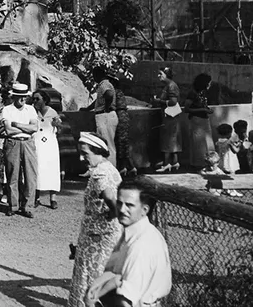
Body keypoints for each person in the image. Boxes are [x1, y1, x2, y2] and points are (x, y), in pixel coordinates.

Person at [87, 181, 172, 307]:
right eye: (119, 203)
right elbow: (117, 273)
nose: (122, 209)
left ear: (144, 210)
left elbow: (126, 301)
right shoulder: (136, 232)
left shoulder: (140, 247)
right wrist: (96, 288)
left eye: (129, 205)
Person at [67, 132, 122, 307]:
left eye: (86, 153)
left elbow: (110, 197)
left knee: (90, 274)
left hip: (97, 236)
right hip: (106, 233)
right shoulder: (110, 168)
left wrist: (113, 212)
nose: (82, 158)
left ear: (98, 150)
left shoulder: (100, 174)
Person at [0, 81, 38, 217]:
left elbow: (34, 128)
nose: (22, 99)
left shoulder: (31, 109)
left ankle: (28, 206)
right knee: (12, 175)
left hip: (28, 143)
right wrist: (24, 127)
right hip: (13, 143)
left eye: (25, 96)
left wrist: (16, 124)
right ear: (13, 97)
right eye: (19, 96)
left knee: (30, 176)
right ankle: (13, 205)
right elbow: (9, 131)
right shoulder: (7, 110)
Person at [32, 90, 62, 209]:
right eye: (33, 99)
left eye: (37, 99)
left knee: (52, 169)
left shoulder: (52, 112)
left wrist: (57, 125)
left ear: (44, 100)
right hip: (37, 143)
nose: (35, 101)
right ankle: (36, 197)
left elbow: (59, 129)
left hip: (50, 144)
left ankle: (53, 198)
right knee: (37, 168)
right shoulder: (32, 112)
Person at [151, 66, 182, 173]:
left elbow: (173, 101)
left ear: (166, 74)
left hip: (170, 117)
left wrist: (159, 101)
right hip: (169, 117)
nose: (158, 76)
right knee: (172, 140)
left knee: (168, 140)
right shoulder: (168, 85)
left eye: (161, 74)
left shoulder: (171, 86)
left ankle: (167, 163)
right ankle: (174, 162)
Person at [184, 73, 213, 171]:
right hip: (196, 121)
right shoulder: (192, 93)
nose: (210, 85)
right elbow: (186, 109)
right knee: (198, 144)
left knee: (207, 143)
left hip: (204, 120)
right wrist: (203, 110)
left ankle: (207, 163)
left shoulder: (202, 93)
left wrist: (206, 109)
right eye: (209, 83)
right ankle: (198, 165)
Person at [110, 76, 136, 178]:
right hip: (124, 116)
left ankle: (122, 167)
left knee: (120, 143)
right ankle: (130, 167)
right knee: (124, 143)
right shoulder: (120, 92)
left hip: (119, 115)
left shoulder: (113, 92)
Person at [90, 67, 118, 161]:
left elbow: (109, 95)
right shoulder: (103, 85)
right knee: (103, 144)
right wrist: (88, 108)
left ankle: (111, 168)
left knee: (108, 144)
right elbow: (100, 99)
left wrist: (106, 108)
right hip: (105, 115)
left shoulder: (104, 84)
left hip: (105, 116)